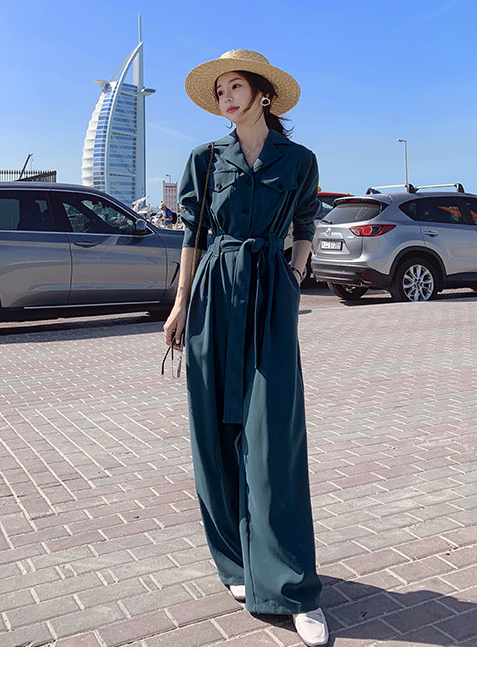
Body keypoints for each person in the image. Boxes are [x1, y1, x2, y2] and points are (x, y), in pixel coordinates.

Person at [163, 50, 328, 647]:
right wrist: (180, 304)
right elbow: (192, 235)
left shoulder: (298, 160)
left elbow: (305, 223)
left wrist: (295, 274)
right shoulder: (205, 159)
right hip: (213, 293)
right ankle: (234, 559)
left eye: (236, 87)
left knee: (273, 435)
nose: (226, 98)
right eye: (220, 91)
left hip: (270, 295)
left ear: (263, 94)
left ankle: (294, 588)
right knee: (214, 430)